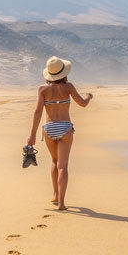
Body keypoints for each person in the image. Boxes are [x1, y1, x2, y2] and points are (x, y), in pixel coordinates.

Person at [26, 56, 93, 210]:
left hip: (49, 128)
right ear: (63, 73)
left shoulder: (42, 89)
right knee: (63, 166)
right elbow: (82, 104)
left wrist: (32, 135)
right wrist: (89, 97)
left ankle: (55, 195)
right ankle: (62, 203)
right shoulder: (68, 87)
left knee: (54, 162)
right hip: (65, 127)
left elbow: (37, 112)